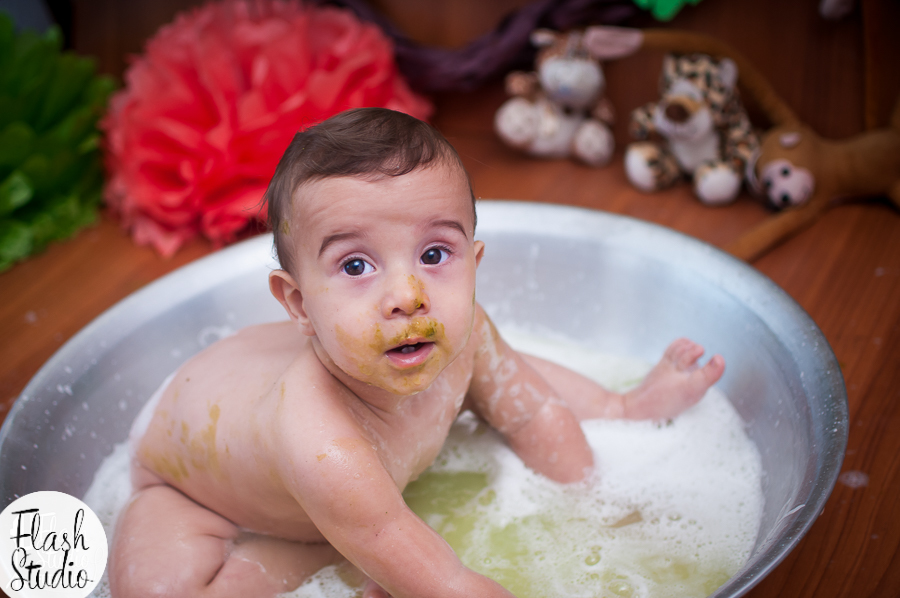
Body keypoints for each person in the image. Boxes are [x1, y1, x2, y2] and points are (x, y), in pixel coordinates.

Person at [110, 107, 725, 598]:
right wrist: (411, 567)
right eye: (356, 265)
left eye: (434, 255)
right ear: (299, 304)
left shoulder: (455, 333)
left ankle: (623, 405)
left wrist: (596, 501)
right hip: (187, 483)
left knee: (498, 374)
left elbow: (534, 411)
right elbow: (449, 584)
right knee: (157, 589)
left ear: (474, 263)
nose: (407, 295)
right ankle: (326, 544)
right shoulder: (319, 437)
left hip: (286, 427)